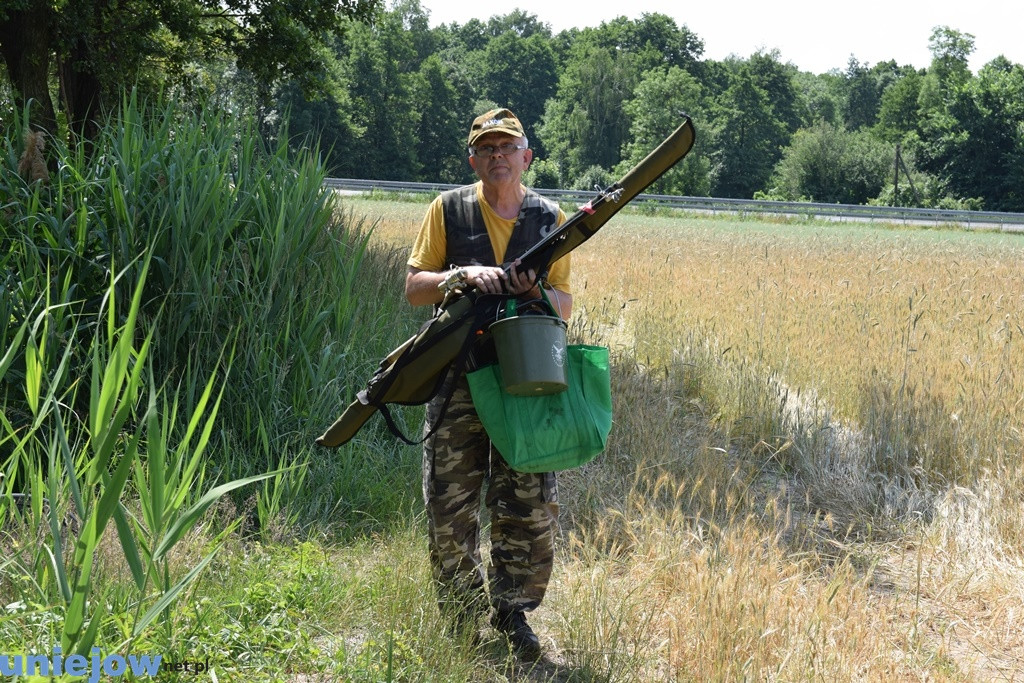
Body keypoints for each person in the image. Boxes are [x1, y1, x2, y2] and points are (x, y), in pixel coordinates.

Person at [405, 108, 572, 659]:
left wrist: (533, 292)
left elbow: (565, 305)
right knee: (449, 508)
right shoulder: (447, 210)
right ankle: (458, 618)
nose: (497, 155)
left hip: (525, 380)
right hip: (458, 376)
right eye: (487, 147)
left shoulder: (552, 219)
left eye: (508, 146)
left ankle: (512, 615)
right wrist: (461, 275)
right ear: (473, 159)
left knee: (525, 503)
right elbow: (414, 287)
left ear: (527, 156)